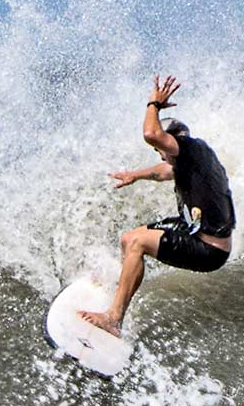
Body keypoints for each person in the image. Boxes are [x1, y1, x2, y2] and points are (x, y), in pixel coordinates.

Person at [78, 75, 236, 337]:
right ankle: (120, 291)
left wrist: (154, 104)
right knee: (129, 238)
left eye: (162, 149)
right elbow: (165, 171)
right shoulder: (196, 156)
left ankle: (113, 319)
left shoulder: (186, 149)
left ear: (173, 141)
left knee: (138, 242)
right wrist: (136, 175)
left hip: (209, 249)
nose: (160, 154)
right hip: (194, 231)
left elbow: (151, 134)